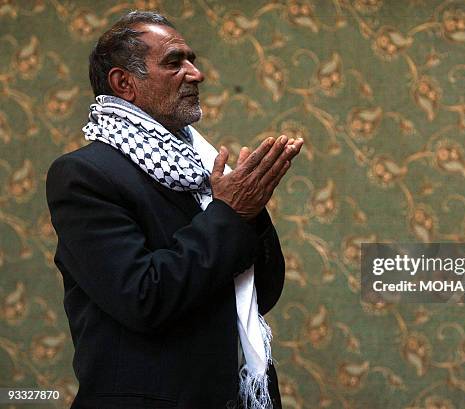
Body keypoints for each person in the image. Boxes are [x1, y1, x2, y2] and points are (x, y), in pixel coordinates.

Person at [45, 11, 302, 409]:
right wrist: (230, 213)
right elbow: (143, 298)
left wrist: (247, 208)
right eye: (173, 62)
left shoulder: (202, 166)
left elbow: (262, 292)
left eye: (192, 60)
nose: (195, 74)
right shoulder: (84, 175)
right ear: (123, 83)